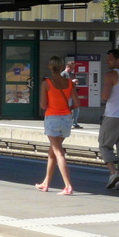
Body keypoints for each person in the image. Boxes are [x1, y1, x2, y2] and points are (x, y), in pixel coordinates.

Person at [35, 55, 79, 195]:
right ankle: (46, 183)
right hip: (66, 118)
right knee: (53, 152)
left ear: (50, 66)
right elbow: (77, 104)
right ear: (61, 67)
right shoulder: (70, 83)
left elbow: (43, 105)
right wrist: (67, 110)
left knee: (59, 152)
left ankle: (68, 186)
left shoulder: (46, 83)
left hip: (52, 118)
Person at [100, 48, 119, 191]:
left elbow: (105, 96)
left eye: (110, 59)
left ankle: (113, 172)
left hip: (113, 116)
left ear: (118, 60)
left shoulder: (111, 74)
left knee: (104, 145)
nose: (107, 61)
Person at [61, 61, 83, 128]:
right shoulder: (63, 74)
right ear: (67, 67)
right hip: (67, 94)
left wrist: (75, 82)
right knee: (68, 108)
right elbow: (62, 84)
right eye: (71, 68)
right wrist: (71, 81)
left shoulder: (71, 74)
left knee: (76, 107)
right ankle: (67, 123)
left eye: (73, 68)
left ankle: (74, 123)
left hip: (72, 93)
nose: (72, 70)